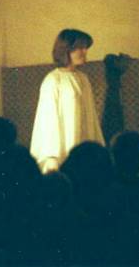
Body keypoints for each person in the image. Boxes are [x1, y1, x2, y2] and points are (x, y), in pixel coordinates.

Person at [30, 29, 105, 174]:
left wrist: (96, 145)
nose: (84, 51)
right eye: (79, 47)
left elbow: (91, 118)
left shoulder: (83, 78)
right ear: (66, 50)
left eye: (85, 47)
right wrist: (52, 156)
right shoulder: (53, 80)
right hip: (62, 151)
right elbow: (47, 121)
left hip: (84, 149)